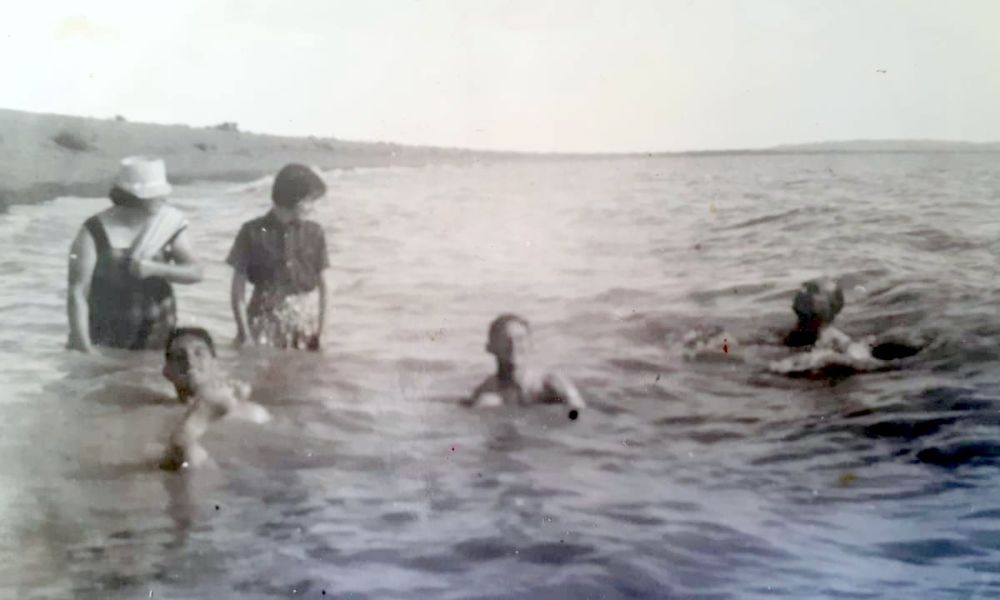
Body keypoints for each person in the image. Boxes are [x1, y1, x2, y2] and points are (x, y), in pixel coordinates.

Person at [66, 157, 203, 352]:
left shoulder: (167, 225)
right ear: (136, 197)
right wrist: (84, 347)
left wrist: (156, 269)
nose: (165, 199)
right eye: (158, 194)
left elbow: (197, 272)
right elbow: (77, 292)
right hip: (105, 339)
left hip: (159, 337)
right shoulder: (93, 231)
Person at [227, 164, 330, 350]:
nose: (314, 208)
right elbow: (237, 289)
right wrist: (245, 335)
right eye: (310, 201)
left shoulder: (315, 233)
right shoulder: (252, 231)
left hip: (304, 322)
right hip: (262, 321)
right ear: (296, 200)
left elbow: (325, 287)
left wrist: (321, 333)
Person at [159, 327, 270, 470]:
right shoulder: (153, 408)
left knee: (185, 457)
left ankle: (186, 436)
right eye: (180, 356)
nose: (189, 360)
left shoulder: (251, 412)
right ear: (166, 372)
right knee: (185, 457)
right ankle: (186, 439)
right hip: (206, 469)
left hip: (230, 469)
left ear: (215, 363)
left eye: (199, 353)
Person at [465, 314, 586, 410]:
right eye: (505, 340)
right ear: (489, 348)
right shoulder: (486, 395)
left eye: (520, 339)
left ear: (531, 345)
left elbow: (579, 415)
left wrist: (568, 419)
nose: (514, 346)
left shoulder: (550, 384)